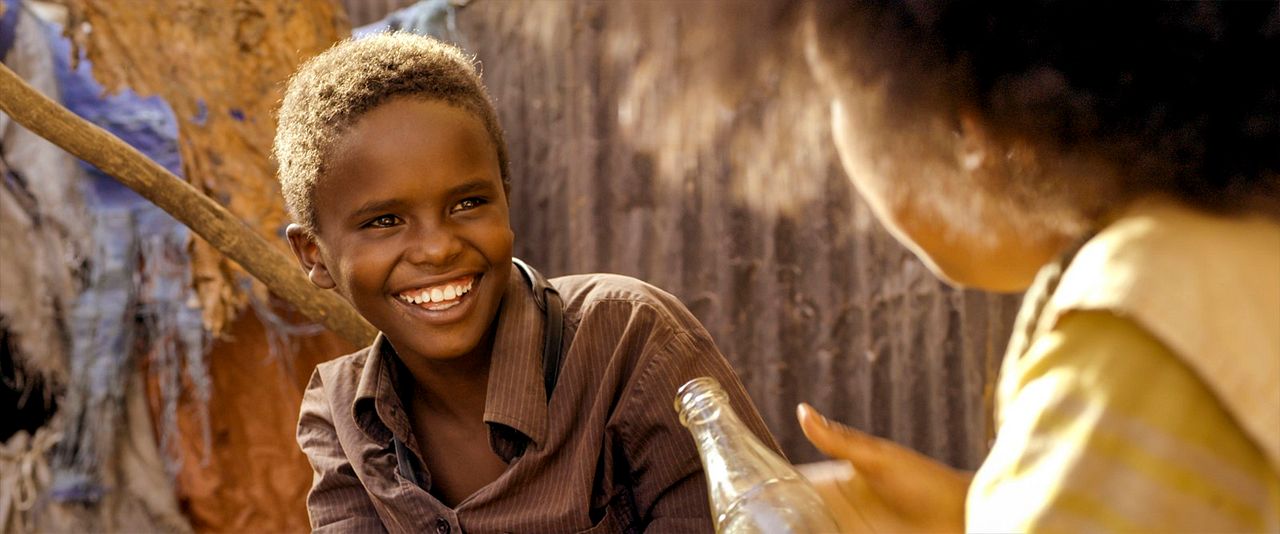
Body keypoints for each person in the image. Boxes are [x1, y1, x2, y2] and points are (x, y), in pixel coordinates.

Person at [785, 1, 1280, 532]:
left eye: (839, 91)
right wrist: (971, 513)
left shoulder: (1135, 326)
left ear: (964, 126)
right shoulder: (1219, 254)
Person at [274, 32, 778, 533]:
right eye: (384, 220)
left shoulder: (629, 339)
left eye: (468, 203)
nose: (438, 248)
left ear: (505, 199)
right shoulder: (341, 415)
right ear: (314, 256)